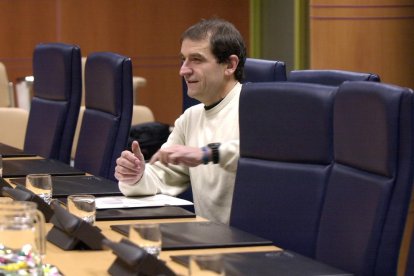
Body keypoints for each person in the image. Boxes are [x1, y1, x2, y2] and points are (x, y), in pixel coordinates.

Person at [115, 18, 246, 225]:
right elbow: (162, 176)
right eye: (183, 59)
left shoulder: (257, 109)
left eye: (196, 59)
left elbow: (258, 152)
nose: (183, 70)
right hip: (210, 241)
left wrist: (206, 153)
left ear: (229, 65)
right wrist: (137, 176)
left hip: (254, 246)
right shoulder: (190, 117)